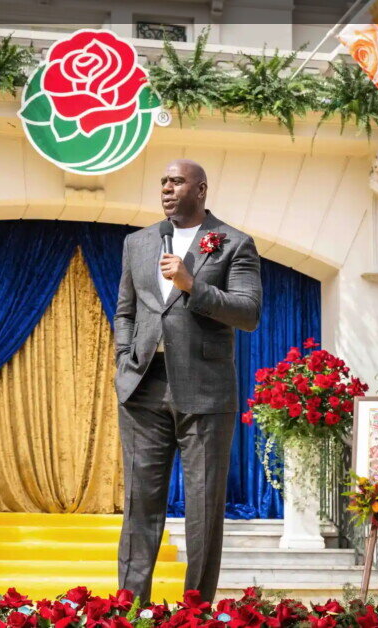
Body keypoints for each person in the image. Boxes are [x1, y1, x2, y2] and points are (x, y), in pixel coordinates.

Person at [113, 159, 262, 603]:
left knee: (203, 507)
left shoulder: (234, 243)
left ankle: (195, 610)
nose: (167, 188)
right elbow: (125, 310)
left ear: (200, 190)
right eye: (163, 181)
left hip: (205, 390)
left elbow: (248, 313)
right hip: (143, 386)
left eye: (177, 181)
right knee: (140, 504)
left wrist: (192, 284)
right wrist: (123, 357)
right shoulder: (138, 242)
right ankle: (128, 608)